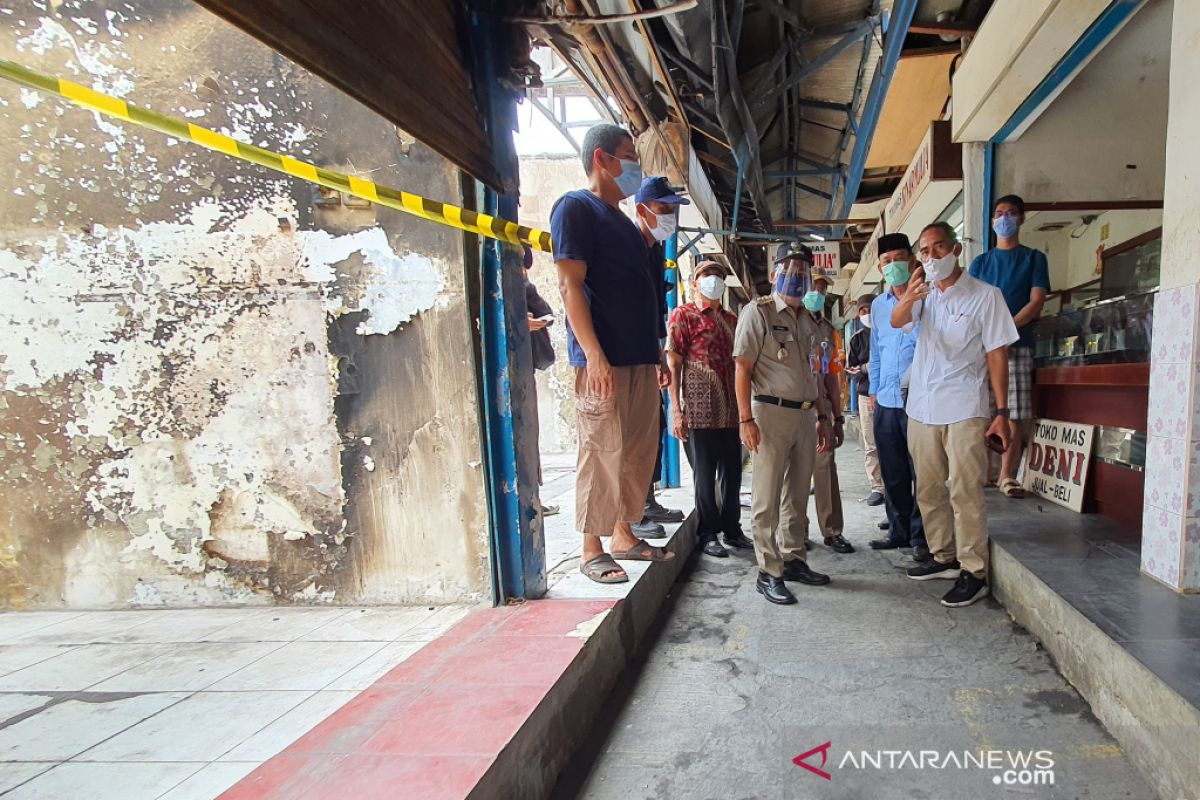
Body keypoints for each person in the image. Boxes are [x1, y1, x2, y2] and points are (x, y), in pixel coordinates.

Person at [551, 124, 675, 584]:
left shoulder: (625, 224)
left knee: (638, 451)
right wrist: (594, 355)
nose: (634, 167)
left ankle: (623, 533)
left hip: (640, 358)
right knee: (601, 450)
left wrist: (656, 353)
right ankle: (591, 548)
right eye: (628, 156)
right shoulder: (575, 208)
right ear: (602, 159)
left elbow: (642, 296)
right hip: (603, 361)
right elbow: (570, 285)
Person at [891, 222, 1018, 608]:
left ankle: (973, 570)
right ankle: (943, 556)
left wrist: (1002, 411)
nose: (931, 257)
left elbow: (998, 354)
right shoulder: (923, 296)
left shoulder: (985, 296)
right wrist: (909, 295)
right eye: (925, 251)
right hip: (922, 408)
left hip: (965, 407)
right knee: (928, 488)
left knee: (964, 489)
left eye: (938, 248)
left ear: (956, 250)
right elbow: (897, 321)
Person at [734, 245, 835, 605]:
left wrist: (823, 417)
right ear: (774, 273)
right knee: (767, 495)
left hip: (806, 415)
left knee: (796, 493)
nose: (795, 276)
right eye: (788, 268)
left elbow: (814, 373)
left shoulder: (808, 319)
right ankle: (768, 570)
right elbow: (742, 368)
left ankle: (793, 559)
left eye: (802, 270)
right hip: (770, 415)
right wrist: (745, 419)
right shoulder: (757, 313)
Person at [666, 259, 752, 558]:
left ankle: (732, 528)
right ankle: (708, 533)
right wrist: (676, 410)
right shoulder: (684, 315)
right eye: (706, 275)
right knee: (704, 475)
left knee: (733, 472)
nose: (712, 279)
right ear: (694, 282)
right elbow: (674, 364)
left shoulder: (732, 319)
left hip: (730, 411)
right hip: (698, 412)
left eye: (717, 275)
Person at [968, 194, 1050, 498]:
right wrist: (989, 336)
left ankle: (1006, 476)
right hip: (982, 349)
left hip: (1017, 346)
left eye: (1011, 213)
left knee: (1013, 414)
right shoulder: (980, 263)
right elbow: (970, 304)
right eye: (999, 213)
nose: (1004, 218)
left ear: (1021, 218)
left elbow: (1037, 301)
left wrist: (1005, 330)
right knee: (982, 411)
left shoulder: (1034, 259)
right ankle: (985, 472)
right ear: (992, 221)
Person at [865, 234, 928, 561]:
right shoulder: (877, 305)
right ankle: (898, 530)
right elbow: (876, 351)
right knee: (893, 470)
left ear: (913, 261)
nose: (893, 266)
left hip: (921, 400)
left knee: (922, 471)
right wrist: (874, 389)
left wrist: (913, 295)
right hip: (886, 400)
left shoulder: (928, 298)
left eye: (900, 258)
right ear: (880, 267)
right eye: (887, 261)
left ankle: (921, 536)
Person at [634, 177, 689, 535]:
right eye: (663, 208)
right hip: (626, 355)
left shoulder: (655, 253)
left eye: (672, 210)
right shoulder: (630, 245)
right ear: (643, 209)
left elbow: (653, 309)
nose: (669, 215)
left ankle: (647, 499)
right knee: (633, 436)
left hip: (646, 352)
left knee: (651, 432)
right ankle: (632, 512)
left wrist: (657, 358)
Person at [798, 259, 855, 555]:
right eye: (814, 286)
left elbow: (832, 375)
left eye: (822, 288)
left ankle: (832, 530)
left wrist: (838, 418)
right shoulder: (791, 322)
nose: (817, 292)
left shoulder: (827, 331)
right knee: (794, 473)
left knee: (824, 469)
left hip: (822, 407)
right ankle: (797, 531)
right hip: (796, 409)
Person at [523, 244, 560, 516]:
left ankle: (533, 497)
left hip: (525, 369)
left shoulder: (525, 288)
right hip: (515, 370)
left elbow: (549, 315)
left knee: (529, 435)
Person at [846, 294, 885, 507]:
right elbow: (850, 371)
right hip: (865, 395)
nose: (867, 314)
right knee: (871, 443)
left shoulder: (889, 331)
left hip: (889, 396)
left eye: (869, 309)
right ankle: (877, 487)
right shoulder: (857, 339)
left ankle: (893, 485)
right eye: (862, 311)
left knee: (892, 442)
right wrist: (865, 368)